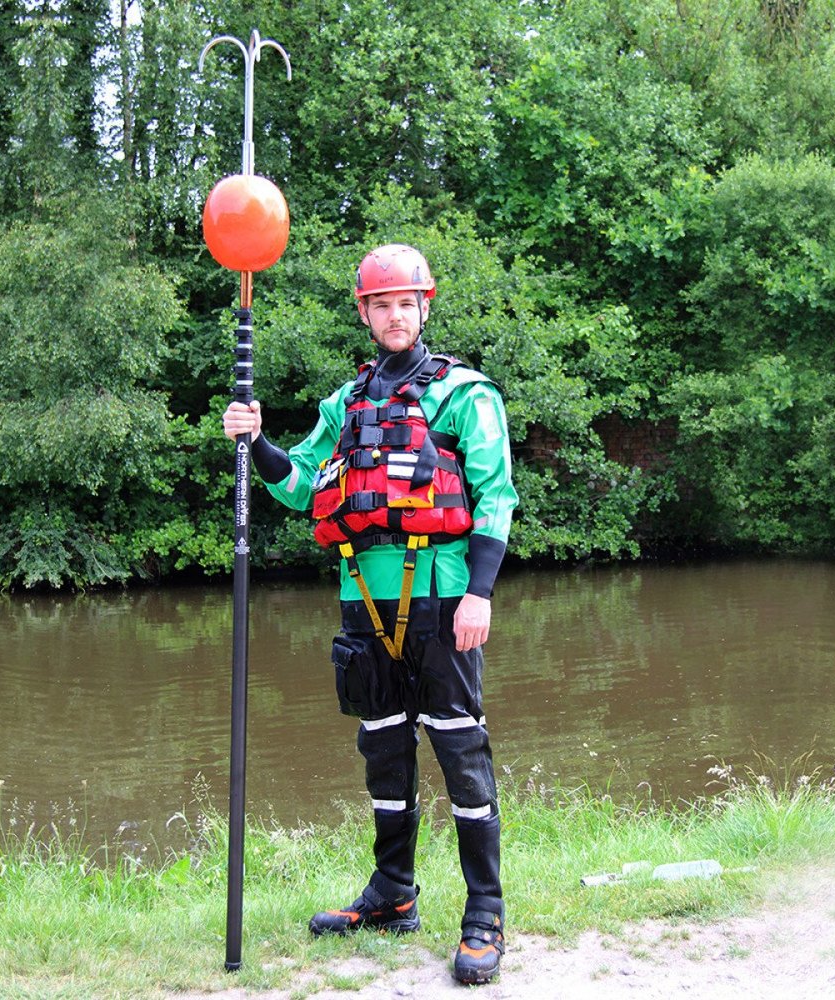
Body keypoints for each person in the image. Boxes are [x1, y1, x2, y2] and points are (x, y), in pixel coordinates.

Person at [222, 243, 518, 985]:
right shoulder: (343, 405)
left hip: (444, 598)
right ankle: (393, 894)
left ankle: (485, 912)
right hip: (363, 601)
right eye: (380, 304)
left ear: (425, 306)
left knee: (459, 750)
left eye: (405, 302)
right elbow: (298, 486)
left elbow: (495, 495)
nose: (394, 314)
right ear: (364, 313)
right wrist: (256, 442)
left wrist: (479, 592)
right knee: (384, 751)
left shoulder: (466, 394)